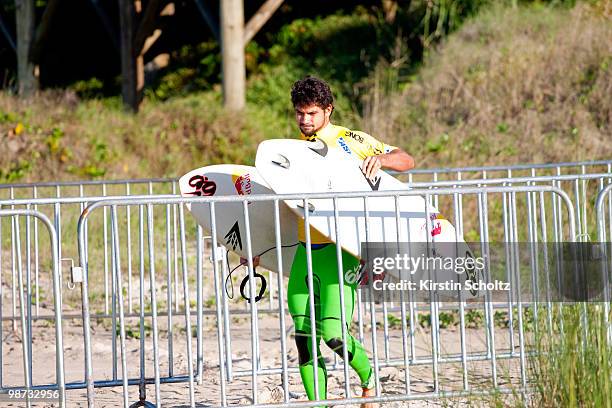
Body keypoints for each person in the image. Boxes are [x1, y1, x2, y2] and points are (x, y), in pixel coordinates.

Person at [247, 76, 414, 407]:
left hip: (340, 255)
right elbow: (275, 209)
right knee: (304, 339)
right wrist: (252, 249)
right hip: (304, 254)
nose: (305, 120)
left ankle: (369, 380)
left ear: (328, 110)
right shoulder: (290, 154)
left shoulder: (350, 139)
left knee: (335, 336)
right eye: (300, 113)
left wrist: (380, 160)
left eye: (311, 113)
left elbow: (406, 159)